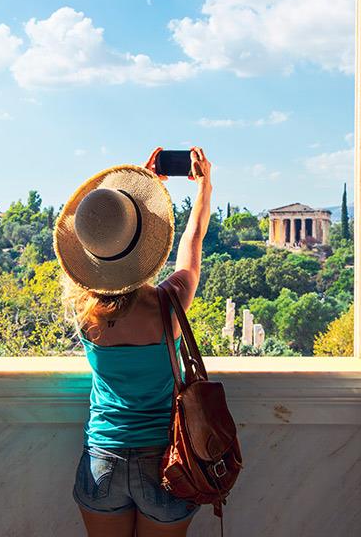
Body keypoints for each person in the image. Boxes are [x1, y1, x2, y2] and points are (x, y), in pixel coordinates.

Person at [54, 147, 214, 537]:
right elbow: (191, 247)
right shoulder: (169, 305)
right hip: (166, 464)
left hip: (101, 463)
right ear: (143, 245)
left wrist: (124, 207)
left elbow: (102, 237)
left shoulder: (85, 312)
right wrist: (203, 188)